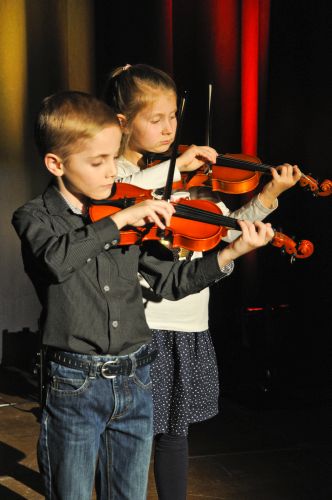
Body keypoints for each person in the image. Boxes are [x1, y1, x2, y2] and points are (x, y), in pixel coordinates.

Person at [12, 90, 275, 500]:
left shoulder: (126, 210)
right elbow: (55, 261)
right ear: (56, 164)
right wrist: (117, 222)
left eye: (111, 159)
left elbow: (172, 281)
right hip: (74, 382)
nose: (110, 174)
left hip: (137, 377)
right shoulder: (36, 217)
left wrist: (230, 252)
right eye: (98, 163)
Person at [102, 63, 302, 499]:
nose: (169, 128)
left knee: (175, 435)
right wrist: (173, 169)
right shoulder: (114, 171)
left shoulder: (194, 182)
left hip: (189, 323)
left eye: (173, 116)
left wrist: (267, 197)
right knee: (127, 439)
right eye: (155, 119)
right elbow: (115, 200)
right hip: (140, 325)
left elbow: (223, 230)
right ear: (123, 123)